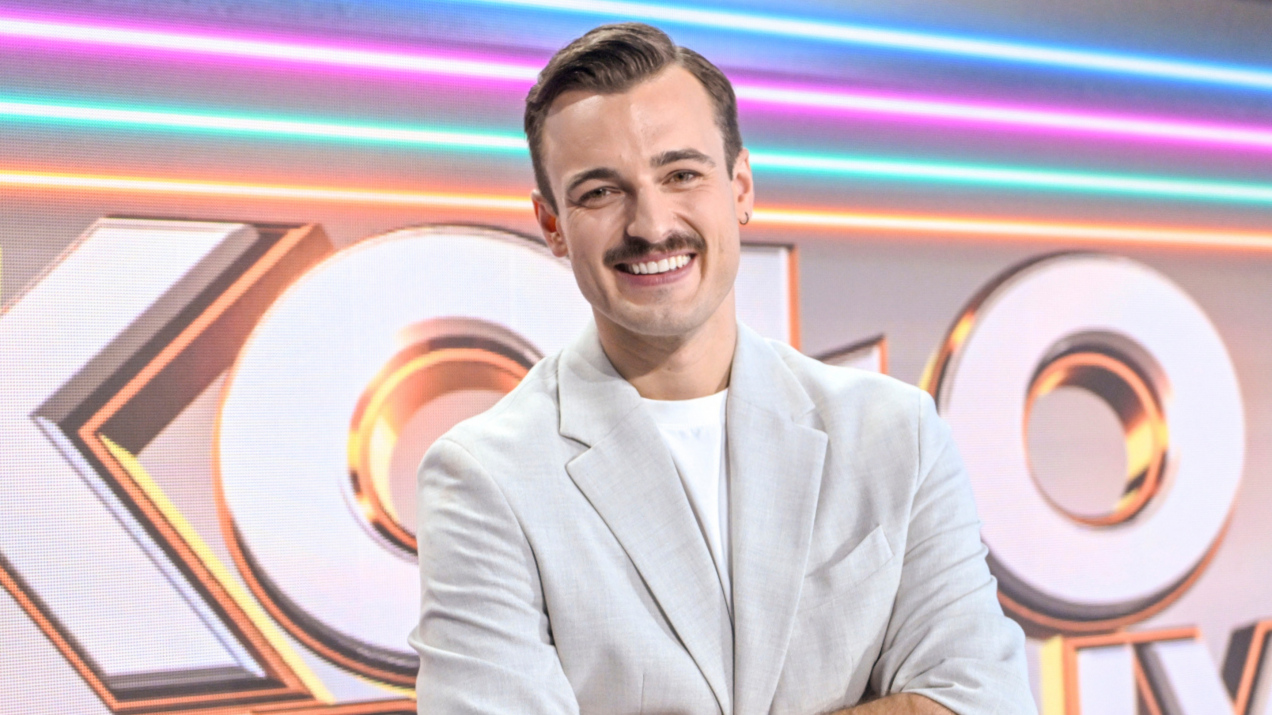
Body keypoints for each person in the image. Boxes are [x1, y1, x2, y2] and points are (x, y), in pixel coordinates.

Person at [409, 22, 1034, 715]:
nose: (651, 225)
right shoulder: (486, 477)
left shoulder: (895, 432)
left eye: (681, 174)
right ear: (552, 224)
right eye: (600, 192)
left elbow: (985, 700)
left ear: (740, 187)